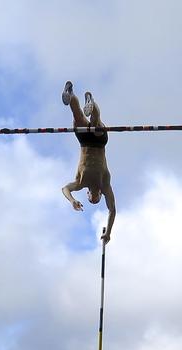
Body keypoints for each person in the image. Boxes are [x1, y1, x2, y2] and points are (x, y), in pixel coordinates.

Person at [61, 81, 116, 244]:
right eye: (97, 199)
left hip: (84, 142)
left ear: (86, 194)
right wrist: (109, 232)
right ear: (100, 194)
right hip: (99, 143)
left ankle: (70, 95)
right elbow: (112, 210)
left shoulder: (80, 183)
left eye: (90, 200)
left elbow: (65, 188)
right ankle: (92, 105)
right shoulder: (104, 184)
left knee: (77, 116)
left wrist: (72, 201)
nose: (93, 198)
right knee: (97, 124)